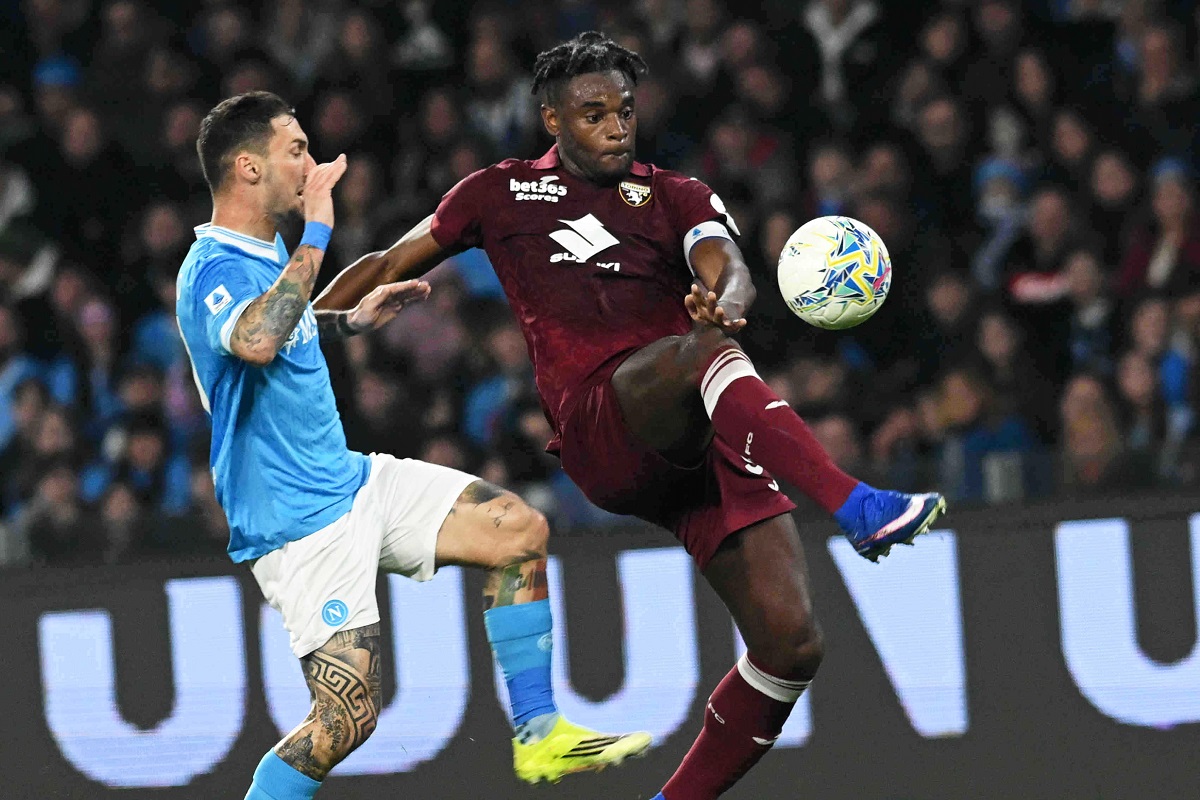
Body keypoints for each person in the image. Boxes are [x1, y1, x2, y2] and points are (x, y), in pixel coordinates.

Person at [316, 33, 948, 799]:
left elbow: (728, 267)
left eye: (625, 110)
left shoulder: (676, 194)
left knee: (791, 645)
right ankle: (856, 502)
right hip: (601, 425)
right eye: (594, 114)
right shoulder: (496, 193)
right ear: (551, 119)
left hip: (697, 429)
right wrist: (297, 331)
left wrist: (727, 297)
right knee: (698, 350)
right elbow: (387, 265)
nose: (617, 127)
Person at [175, 92, 650, 800]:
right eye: (295, 149)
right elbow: (253, 338)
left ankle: (540, 737)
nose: (312, 163)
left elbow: (282, 328)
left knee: (516, 530)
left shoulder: (261, 249)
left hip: (349, 479)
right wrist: (319, 231)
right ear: (247, 168)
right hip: (296, 522)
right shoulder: (211, 266)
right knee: (345, 719)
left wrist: (346, 322)